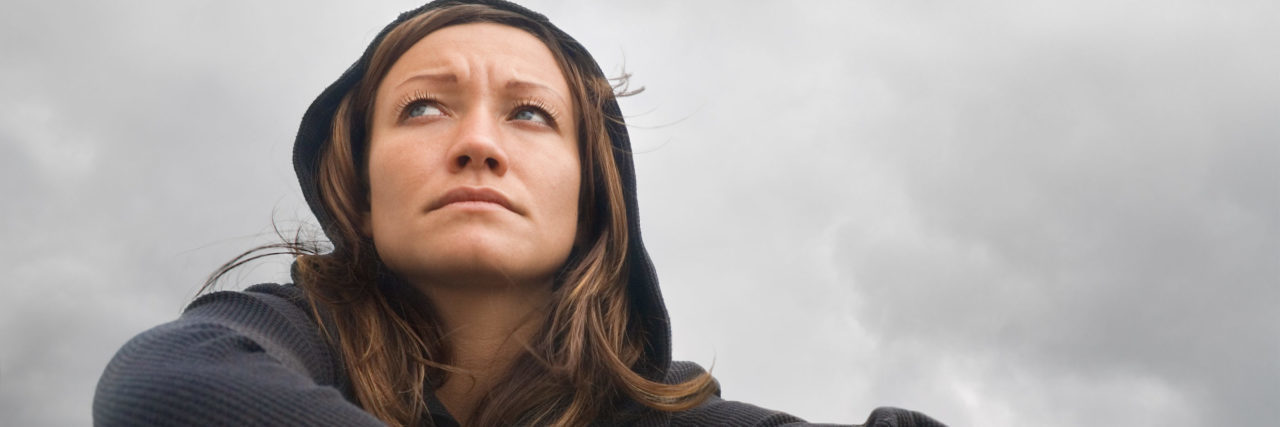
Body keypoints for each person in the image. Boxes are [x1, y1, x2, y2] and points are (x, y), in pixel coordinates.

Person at [93, 1, 946, 426]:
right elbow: (167, 390)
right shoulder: (274, 331)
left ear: (592, 188)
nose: (477, 144)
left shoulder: (666, 410)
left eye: (530, 113)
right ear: (358, 181)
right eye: (423, 108)